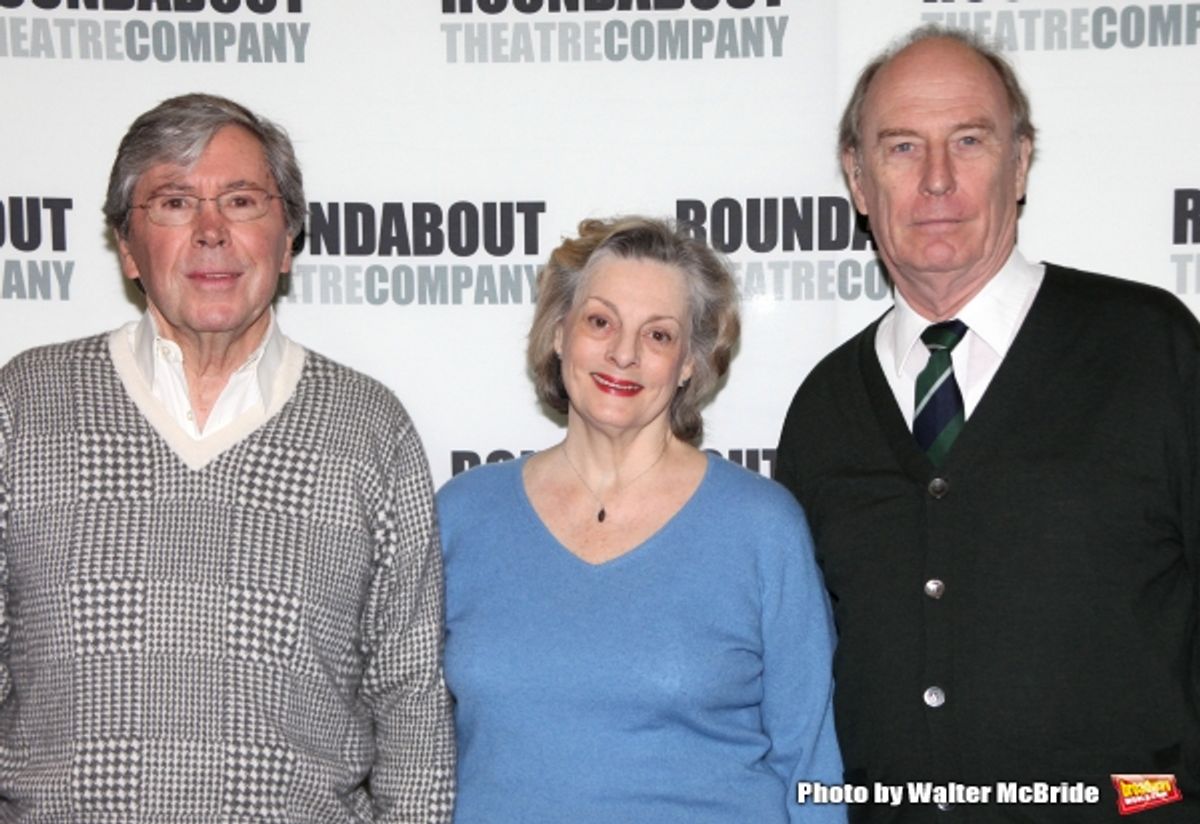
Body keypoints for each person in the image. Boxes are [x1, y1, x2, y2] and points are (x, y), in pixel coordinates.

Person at [775, 25, 1199, 823]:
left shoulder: (1152, 348)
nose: (937, 180)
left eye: (968, 140)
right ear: (858, 181)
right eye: (902, 148)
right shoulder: (824, 408)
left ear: (1022, 161)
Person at [0, 93, 454, 822]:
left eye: (242, 201)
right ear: (126, 245)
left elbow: (410, 703)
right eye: (175, 203)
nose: (212, 232)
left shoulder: (369, 429)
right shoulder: (23, 406)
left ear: (287, 238)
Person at [438, 216, 843, 823]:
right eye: (600, 322)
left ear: (689, 362)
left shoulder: (761, 528)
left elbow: (809, 761)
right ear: (558, 333)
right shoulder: (462, 515)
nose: (623, 354)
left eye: (658, 335)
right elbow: (409, 743)